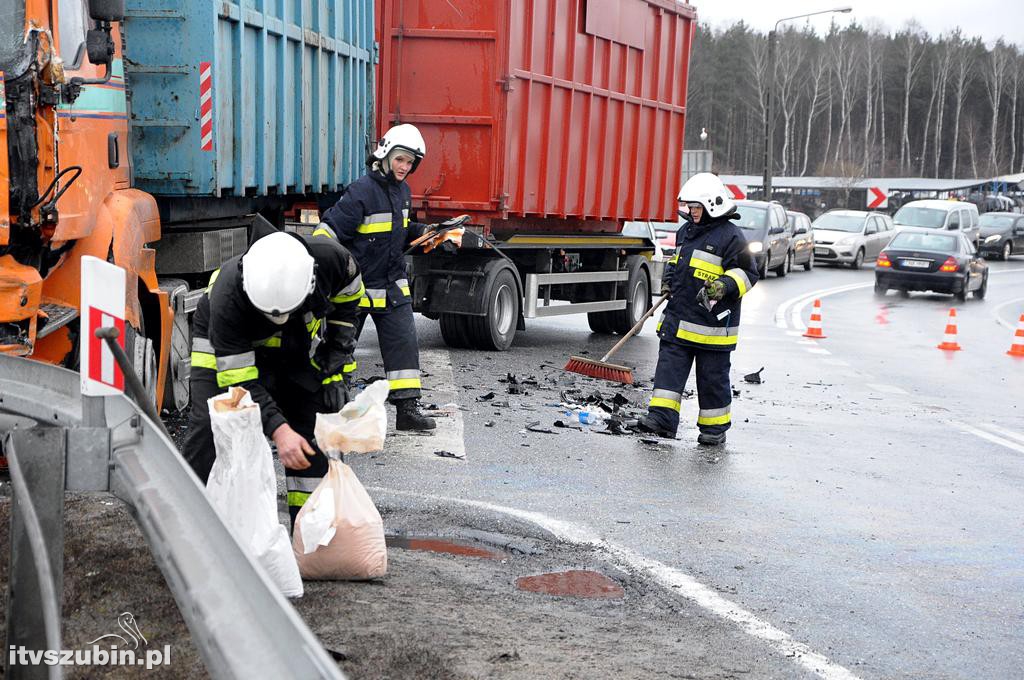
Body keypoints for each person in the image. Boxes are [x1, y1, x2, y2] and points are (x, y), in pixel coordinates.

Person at [183, 230, 364, 521]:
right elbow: (239, 383)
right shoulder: (227, 297)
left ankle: (311, 535)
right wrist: (279, 431)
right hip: (224, 347)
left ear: (311, 281)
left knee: (312, 425)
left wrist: (333, 363)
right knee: (212, 423)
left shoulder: (334, 261)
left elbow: (350, 302)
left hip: (294, 345)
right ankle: (187, 520)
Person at [318, 123, 439, 431]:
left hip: (392, 284)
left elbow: (398, 233)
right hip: (356, 288)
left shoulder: (404, 193)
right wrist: (328, 277)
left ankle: (407, 410)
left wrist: (425, 234)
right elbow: (326, 236)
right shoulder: (361, 191)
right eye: (400, 159)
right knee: (340, 349)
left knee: (404, 347)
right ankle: (336, 409)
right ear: (385, 155)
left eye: (410, 163)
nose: (404, 167)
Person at [637, 172, 759, 445]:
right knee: (668, 373)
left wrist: (724, 285)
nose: (691, 212)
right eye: (690, 208)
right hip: (678, 322)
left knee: (712, 380)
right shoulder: (686, 232)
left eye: (695, 208)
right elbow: (677, 262)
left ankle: (714, 429)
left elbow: (748, 274)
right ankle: (661, 420)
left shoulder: (731, 237)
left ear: (711, 205)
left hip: (712, 328)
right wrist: (670, 280)